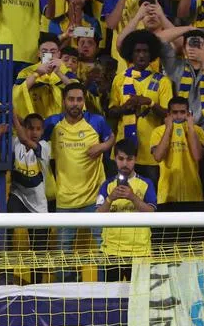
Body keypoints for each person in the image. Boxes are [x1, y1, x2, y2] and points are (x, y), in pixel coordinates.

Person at [44, 82, 113, 252]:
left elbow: (111, 137)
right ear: (63, 101)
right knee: (63, 250)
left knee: (103, 246)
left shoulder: (97, 121)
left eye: (79, 99)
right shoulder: (52, 123)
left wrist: (103, 146)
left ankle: (103, 272)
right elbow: (33, 136)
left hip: (95, 197)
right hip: (65, 198)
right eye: (71, 99)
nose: (75, 104)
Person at [109, 29, 172, 184]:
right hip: (123, 153)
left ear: (152, 54)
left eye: (145, 51)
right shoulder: (120, 79)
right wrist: (124, 108)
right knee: (122, 193)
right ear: (131, 54)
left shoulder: (162, 81)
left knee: (149, 195)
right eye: (137, 51)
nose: (142, 55)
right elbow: (111, 111)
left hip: (151, 153)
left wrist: (149, 103)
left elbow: (169, 114)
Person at [96, 137, 156, 280]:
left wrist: (133, 197)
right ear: (115, 159)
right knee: (110, 294)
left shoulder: (146, 183)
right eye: (121, 159)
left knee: (138, 294)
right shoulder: (107, 185)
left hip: (140, 252)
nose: (125, 163)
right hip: (111, 251)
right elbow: (98, 215)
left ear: (135, 159)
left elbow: (152, 213)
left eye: (129, 159)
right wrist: (110, 198)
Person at [163, 29, 204, 134]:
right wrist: (189, 29)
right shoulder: (175, 66)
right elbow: (159, 40)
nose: (195, 47)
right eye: (191, 44)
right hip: (180, 127)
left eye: (199, 44)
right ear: (184, 49)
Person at [151, 95, 204, 203]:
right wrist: (168, 128)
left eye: (182, 112)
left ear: (188, 113)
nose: (179, 116)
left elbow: (197, 156)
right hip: (167, 195)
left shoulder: (198, 131)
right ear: (169, 114)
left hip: (192, 194)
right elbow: (158, 157)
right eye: (175, 112)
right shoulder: (158, 132)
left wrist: (191, 127)